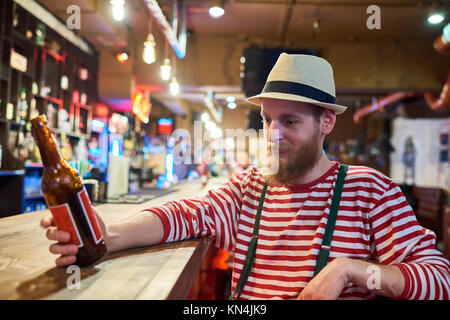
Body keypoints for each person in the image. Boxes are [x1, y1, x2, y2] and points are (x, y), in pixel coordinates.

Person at [41, 53, 450, 300]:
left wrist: (351, 269)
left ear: (327, 121)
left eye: (289, 121)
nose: (273, 134)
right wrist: (108, 234)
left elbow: (438, 279)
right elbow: (185, 214)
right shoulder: (250, 187)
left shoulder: (369, 191)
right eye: (267, 119)